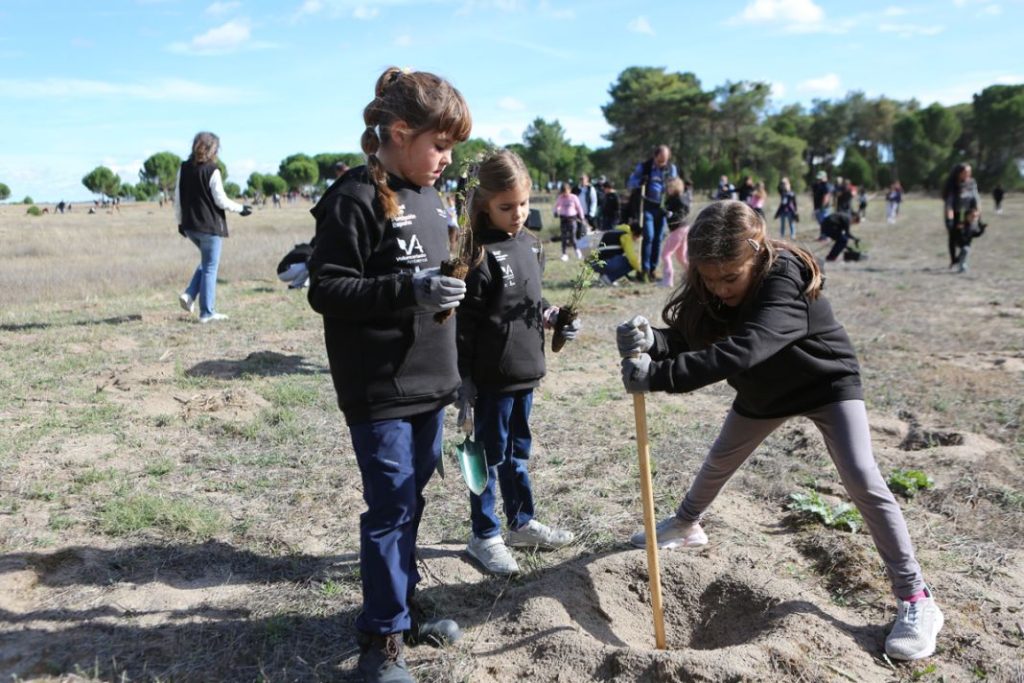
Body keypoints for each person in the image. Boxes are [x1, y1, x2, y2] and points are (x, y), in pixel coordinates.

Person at [615, 200, 944, 663]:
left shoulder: (784, 276)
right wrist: (656, 341)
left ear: (756, 250)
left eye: (730, 278)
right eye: (709, 279)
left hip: (824, 383)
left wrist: (661, 376)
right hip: (764, 390)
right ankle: (686, 526)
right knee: (720, 460)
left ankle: (916, 598)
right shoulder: (715, 283)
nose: (719, 288)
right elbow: (696, 334)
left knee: (861, 476)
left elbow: (747, 346)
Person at [305, 66, 472, 683]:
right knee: (391, 506)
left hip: (431, 382)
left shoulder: (431, 198)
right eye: (440, 145)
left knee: (411, 499)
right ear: (399, 133)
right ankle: (381, 643)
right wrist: (410, 289)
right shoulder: (352, 198)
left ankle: (400, 605)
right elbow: (327, 288)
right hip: (378, 387)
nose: (447, 160)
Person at [455, 149, 579, 576]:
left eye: (524, 204)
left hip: (526, 374)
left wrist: (553, 316)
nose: (518, 214)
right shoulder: (477, 255)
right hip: (491, 380)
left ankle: (522, 523)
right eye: (506, 207)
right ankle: (484, 534)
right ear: (484, 204)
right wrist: (464, 381)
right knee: (487, 458)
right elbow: (463, 326)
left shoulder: (532, 245)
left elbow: (531, 301)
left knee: (517, 454)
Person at [175, 131, 252, 323]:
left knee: (207, 261)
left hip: (190, 226)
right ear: (212, 149)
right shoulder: (212, 169)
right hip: (209, 227)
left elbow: (177, 198)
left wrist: (180, 221)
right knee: (210, 267)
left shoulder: (183, 168)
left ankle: (189, 294)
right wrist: (240, 208)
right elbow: (220, 200)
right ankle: (207, 312)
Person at [627, 144, 679, 282]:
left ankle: (652, 270)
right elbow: (630, 183)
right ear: (655, 156)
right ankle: (644, 269)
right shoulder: (644, 167)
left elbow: (675, 185)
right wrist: (640, 181)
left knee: (658, 238)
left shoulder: (671, 168)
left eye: (665, 160)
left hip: (662, 207)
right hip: (647, 206)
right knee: (649, 236)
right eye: (661, 160)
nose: (663, 163)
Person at [941, 163, 980, 269]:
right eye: (966, 172)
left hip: (968, 212)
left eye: (969, 172)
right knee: (954, 236)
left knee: (968, 235)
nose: (968, 174)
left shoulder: (972, 182)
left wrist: (977, 212)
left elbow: (976, 197)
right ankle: (954, 260)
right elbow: (949, 203)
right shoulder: (952, 185)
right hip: (955, 213)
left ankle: (962, 257)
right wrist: (950, 219)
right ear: (959, 173)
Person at [659, 177, 691, 288]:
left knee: (665, 254)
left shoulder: (680, 198)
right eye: (668, 187)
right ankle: (693, 276)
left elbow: (683, 213)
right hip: (682, 228)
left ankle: (668, 280)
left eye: (670, 187)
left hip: (679, 228)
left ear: (676, 187)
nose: (668, 189)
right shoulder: (672, 198)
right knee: (681, 256)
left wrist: (669, 214)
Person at [554, 182, 586, 262]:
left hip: (572, 220)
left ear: (569, 190)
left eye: (566, 191)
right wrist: (556, 212)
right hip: (563, 219)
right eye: (563, 192)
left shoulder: (574, 197)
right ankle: (564, 254)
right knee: (564, 237)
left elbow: (579, 207)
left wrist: (582, 217)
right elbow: (557, 206)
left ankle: (577, 251)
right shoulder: (560, 198)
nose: (565, 194)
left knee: (573, 237)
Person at [954, 206, 988, 273]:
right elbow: (957, 234)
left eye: (977, 217)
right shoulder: (962, 224)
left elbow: (975, 235)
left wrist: (982, 229)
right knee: (965, 251)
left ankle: (958, 261)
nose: (975, 218)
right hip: (960, 242)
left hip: (967, 244)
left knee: (965, 252)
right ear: (967, 216)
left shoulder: (972, 225)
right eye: (973, 216)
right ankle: (962, 267)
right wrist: (960, 230)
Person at [811, 170, 833, 239]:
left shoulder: (826, 185)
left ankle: (826, 236)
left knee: (824, 223)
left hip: (824, 208)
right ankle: (823, 235)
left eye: (821, 178)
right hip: (818, 207)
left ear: (825, 177)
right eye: (818, 178)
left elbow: (826, 197)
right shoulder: (818, 185)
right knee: (821, 223)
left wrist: (821, 207)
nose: (819, 180)